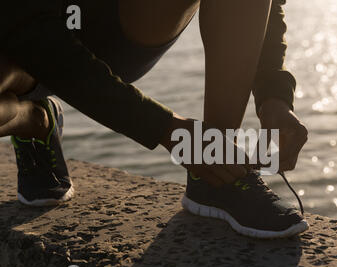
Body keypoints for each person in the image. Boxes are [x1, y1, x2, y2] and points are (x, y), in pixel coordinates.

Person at [0, 0, 309, 238]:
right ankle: (35, 121)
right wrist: (167, 129)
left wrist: (273, 95)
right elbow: (29, 28)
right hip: (21, 44)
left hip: (120, 25)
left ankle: (217, 171)